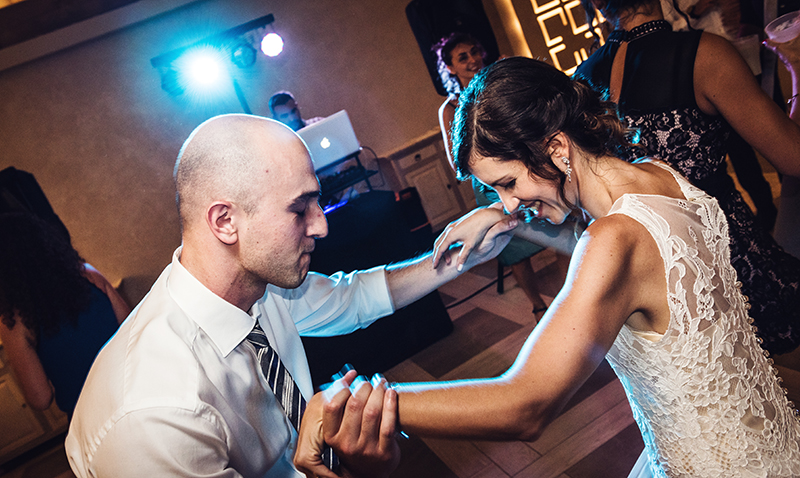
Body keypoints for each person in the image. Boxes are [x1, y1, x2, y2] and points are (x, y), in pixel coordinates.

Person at [295, 57, 800, 478]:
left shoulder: (614, 240)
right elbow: (604, 247)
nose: (509, 202)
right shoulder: (659, 178)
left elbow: (526, 403)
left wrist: (359, 403)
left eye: (508, 183)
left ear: (556, 148)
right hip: (768, 437)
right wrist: (504, 220)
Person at [63, 114, 536, 478]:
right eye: (299, 209)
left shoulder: (255, 287)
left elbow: (353, 298)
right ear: (224, 221)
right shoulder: (156, 413)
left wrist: (460, 256)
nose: (322, 224)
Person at [573, 0, 800, 355]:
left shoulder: (581, 81)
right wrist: (797, 66)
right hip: (732, 266)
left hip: (651, 284)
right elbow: (793, 157)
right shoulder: (704, 55)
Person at [435, 32, 553, 314]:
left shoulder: (497, 87)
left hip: (524, 170)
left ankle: (569, 295)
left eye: (475, 51)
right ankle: (538, 306)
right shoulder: (449, 109)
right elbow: (458, 164)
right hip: (490, 186)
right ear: (450, 68)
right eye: (463, 57)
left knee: (555, 229)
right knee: (513, 247)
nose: (473, 59)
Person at [0, 212, 130, 418]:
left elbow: (40, 398)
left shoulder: (13, 320)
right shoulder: (87, 274)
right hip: (135, 390)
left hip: (94, 419)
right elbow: (131, 327)